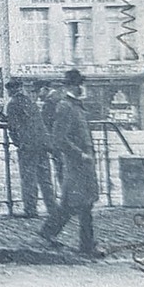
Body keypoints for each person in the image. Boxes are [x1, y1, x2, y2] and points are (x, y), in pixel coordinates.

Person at [40, 69, 103, 257]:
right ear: (73, 86)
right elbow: (59, 139)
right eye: (79, 84)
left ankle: (48, 231)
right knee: (84, 204)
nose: (82, 88)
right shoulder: (65, 106)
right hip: (77, 165)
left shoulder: (75, 105)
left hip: (82, 164)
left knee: (71, 203)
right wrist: (80, 154)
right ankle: (87, 246)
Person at [2, 78, 58, 221]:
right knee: (45, 178)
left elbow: (14, 126)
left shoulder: (13, 104)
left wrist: (18, 143)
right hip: (42, 144)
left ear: (11, 90)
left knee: (29, 178)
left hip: (28, 146)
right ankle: (53, 208)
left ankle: (31, 209)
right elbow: (37, 123)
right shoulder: (30, 102)